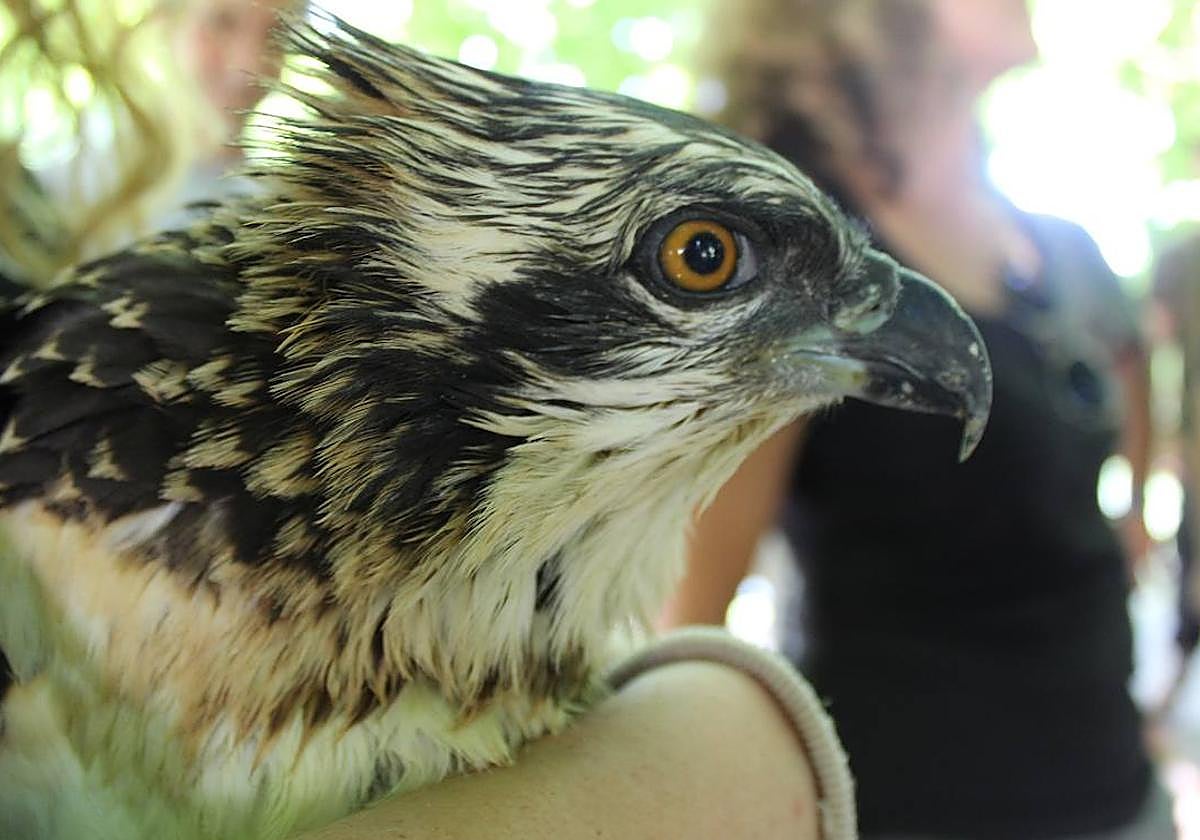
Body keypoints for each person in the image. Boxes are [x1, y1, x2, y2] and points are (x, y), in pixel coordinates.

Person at [0, 5, 853, 839]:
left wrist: (725, 729)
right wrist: (722, 751)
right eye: (698, 257)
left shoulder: (498, 612)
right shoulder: (66, 450)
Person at [669, 0, 1168, 837]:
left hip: (1120, 787)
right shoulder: (789, 253)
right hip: (918, 801)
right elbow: (688, 613)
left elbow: (1128, 365)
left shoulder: (1060, 245)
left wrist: (1134, 514)